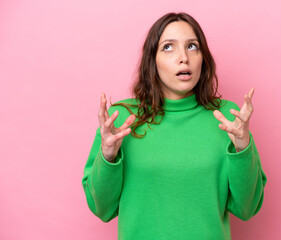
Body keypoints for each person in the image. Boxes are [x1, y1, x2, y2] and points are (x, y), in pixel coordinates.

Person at [82, 12, 267, 240]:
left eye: (192, 47)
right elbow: (102, 208)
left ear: (203, 58)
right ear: (153, 60)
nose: (184, 58)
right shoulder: (121, 119)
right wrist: (108, 156)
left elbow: (248, 208)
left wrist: (242, 149)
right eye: (169, 47)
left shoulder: (228, 119)